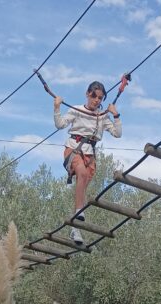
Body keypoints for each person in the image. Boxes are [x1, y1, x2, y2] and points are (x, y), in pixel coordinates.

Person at [54, 81, 122, 244]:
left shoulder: (102, 116)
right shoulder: (76, 110)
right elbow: (60, 125)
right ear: (87, 94)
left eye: (100, 98)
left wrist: (115, 115)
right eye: (93, 96)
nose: (96, 100)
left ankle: (75, 230)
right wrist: (57, 107)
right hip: (74, 149)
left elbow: (117, 133)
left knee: (82, 191)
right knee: (82, 174)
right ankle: (79, 212)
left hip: (90, 154)